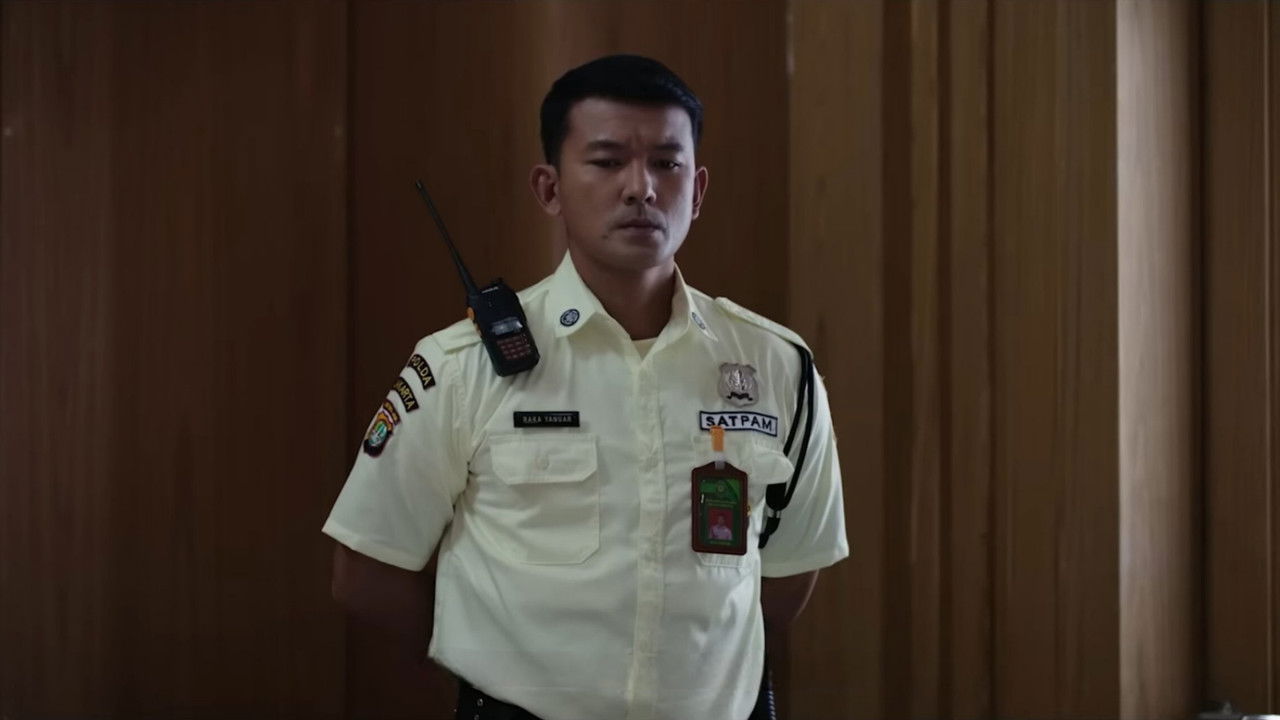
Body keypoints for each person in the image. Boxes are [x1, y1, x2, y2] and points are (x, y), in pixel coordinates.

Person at [324, 54, 848, 720]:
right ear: (549, 188)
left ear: (698, 189)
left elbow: (791, 567)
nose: (641, 189)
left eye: (667, 163)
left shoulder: (776, 364)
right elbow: (367, 572)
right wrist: (494, 661)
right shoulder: (460, 365)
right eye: (607, 162)